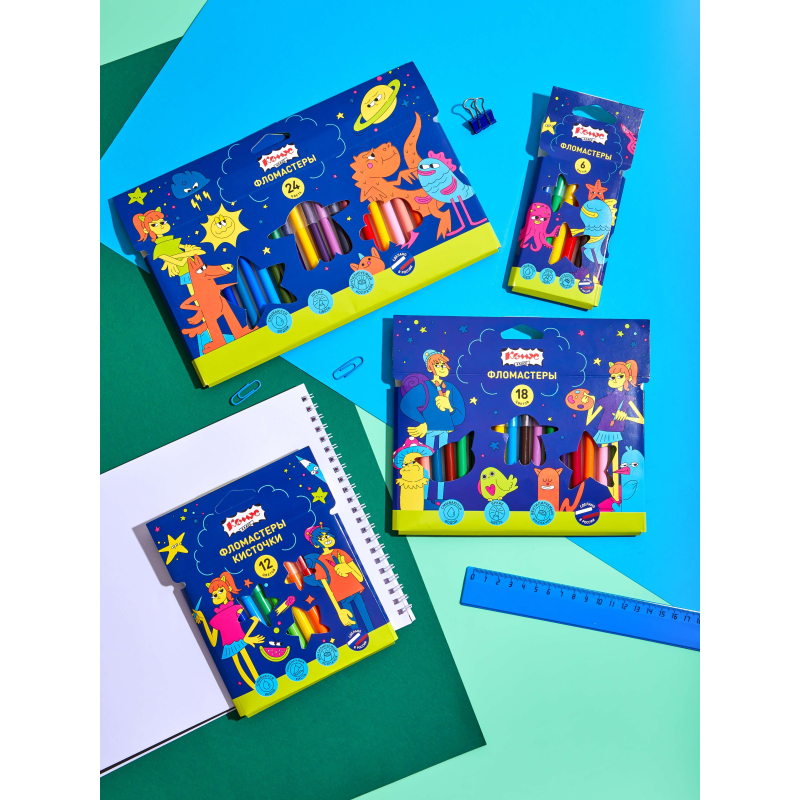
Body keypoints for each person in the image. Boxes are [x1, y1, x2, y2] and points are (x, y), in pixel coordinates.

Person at [399, 349, 466, 506]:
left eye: (444, 365)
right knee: (427, 462)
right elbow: (405, 405)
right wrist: (423, 422)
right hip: (429, 431)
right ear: (430, 368)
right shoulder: (424, 388)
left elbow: (460, 417)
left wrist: (450, 407)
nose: (442, 368)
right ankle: (424, 498)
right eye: (438, 365)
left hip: (445, 430)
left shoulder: (451, 388)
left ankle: (439, 498)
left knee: (444, 464)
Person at [304, 524, 374, 631]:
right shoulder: (320, 563)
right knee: (352, 624)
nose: (326, 539)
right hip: (342, 597)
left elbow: (360, 578)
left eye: (327, 536)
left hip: (355, 590)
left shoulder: (341, 553)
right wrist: (339, 611)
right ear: (317, 545)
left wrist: (348, 568)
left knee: (366, 618)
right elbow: (328, 590)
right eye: (321, 538)